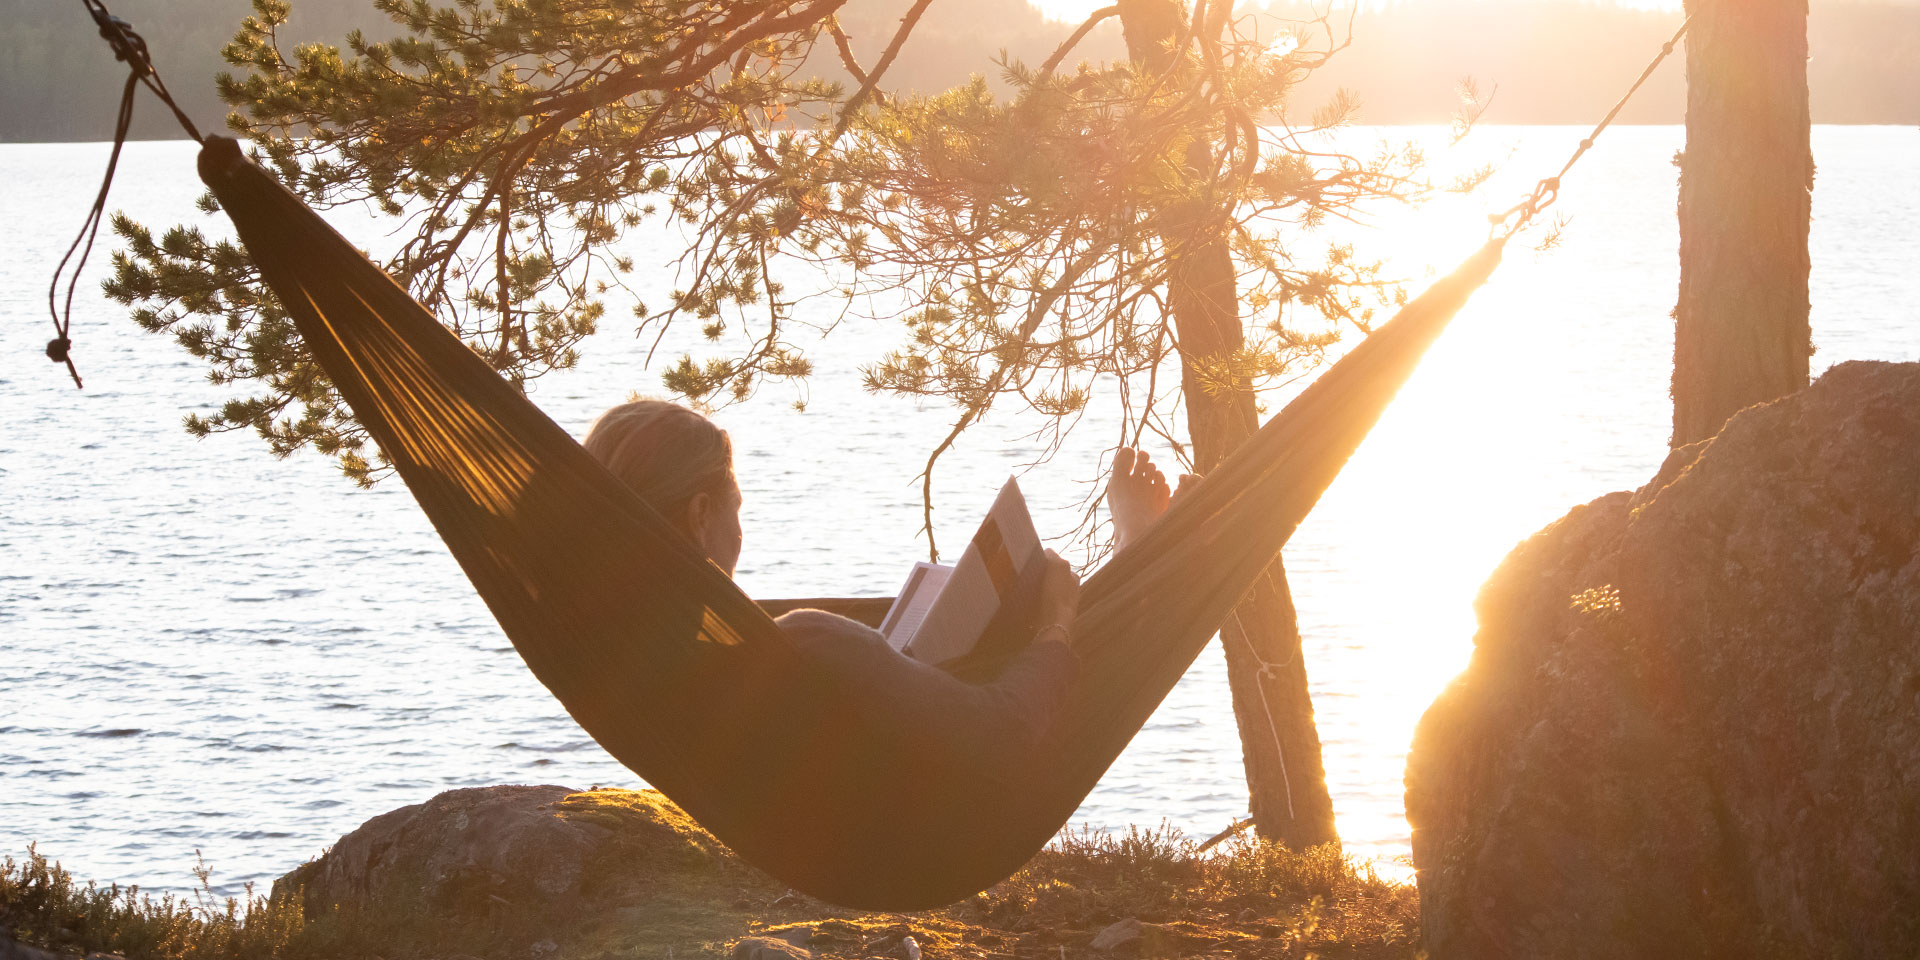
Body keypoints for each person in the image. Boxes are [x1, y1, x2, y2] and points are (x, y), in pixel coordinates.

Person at [581, 399, 1185, 764]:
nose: (741, 530)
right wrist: (1055, 617)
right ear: (703, 514)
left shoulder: (617, 652)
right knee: (1049, 630)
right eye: (738, 507)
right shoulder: (803, 642)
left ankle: (1127, 569)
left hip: (831, 800)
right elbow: (1002, 735)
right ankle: (1132, 566)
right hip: (928, 812)